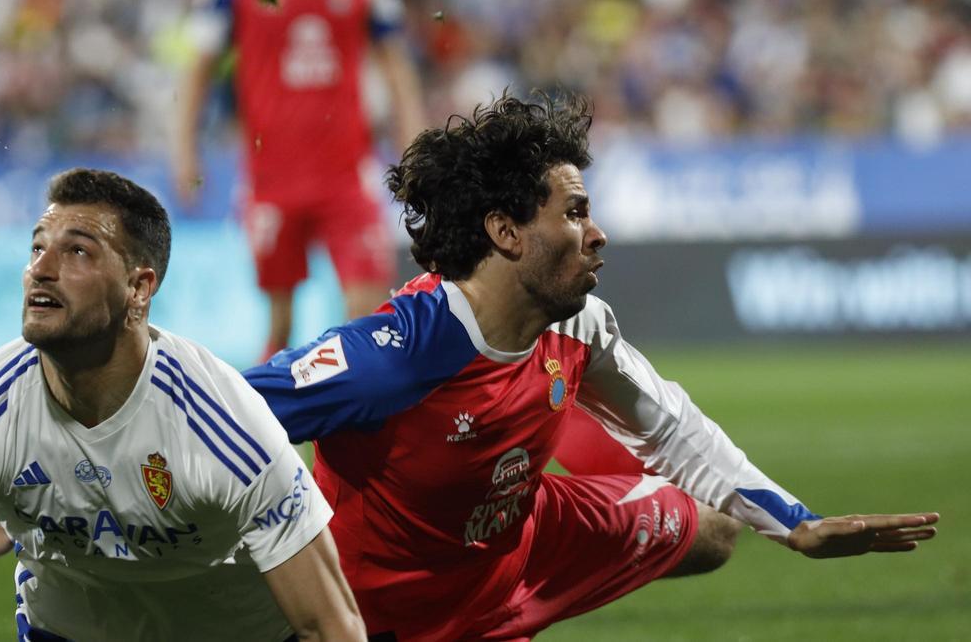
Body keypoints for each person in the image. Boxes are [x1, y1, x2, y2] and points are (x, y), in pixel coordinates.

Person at [237, 93, 940, 639]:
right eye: (575, 212)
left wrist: (797, 524)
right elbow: (216, 413)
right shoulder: (394, 359)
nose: (598, 234)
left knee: (715, 528)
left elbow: (671, 429)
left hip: (526, 540)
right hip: (393, 611)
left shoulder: (576, 320)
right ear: (506, 232)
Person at [0, 168, 364, 641]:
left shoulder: (227, 429)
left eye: (77, 250)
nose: (41, 268)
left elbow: (330, 626)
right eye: (37, 247)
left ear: (138, 290)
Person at [173, 0, 427, 361]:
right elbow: (199, 68)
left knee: (367, 322)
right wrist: (185, 151)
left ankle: (353, 419)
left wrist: (415, 151)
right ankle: (271, 419)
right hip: (270, 180)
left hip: (347, 177)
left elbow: (396, 67)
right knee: (279, 326)